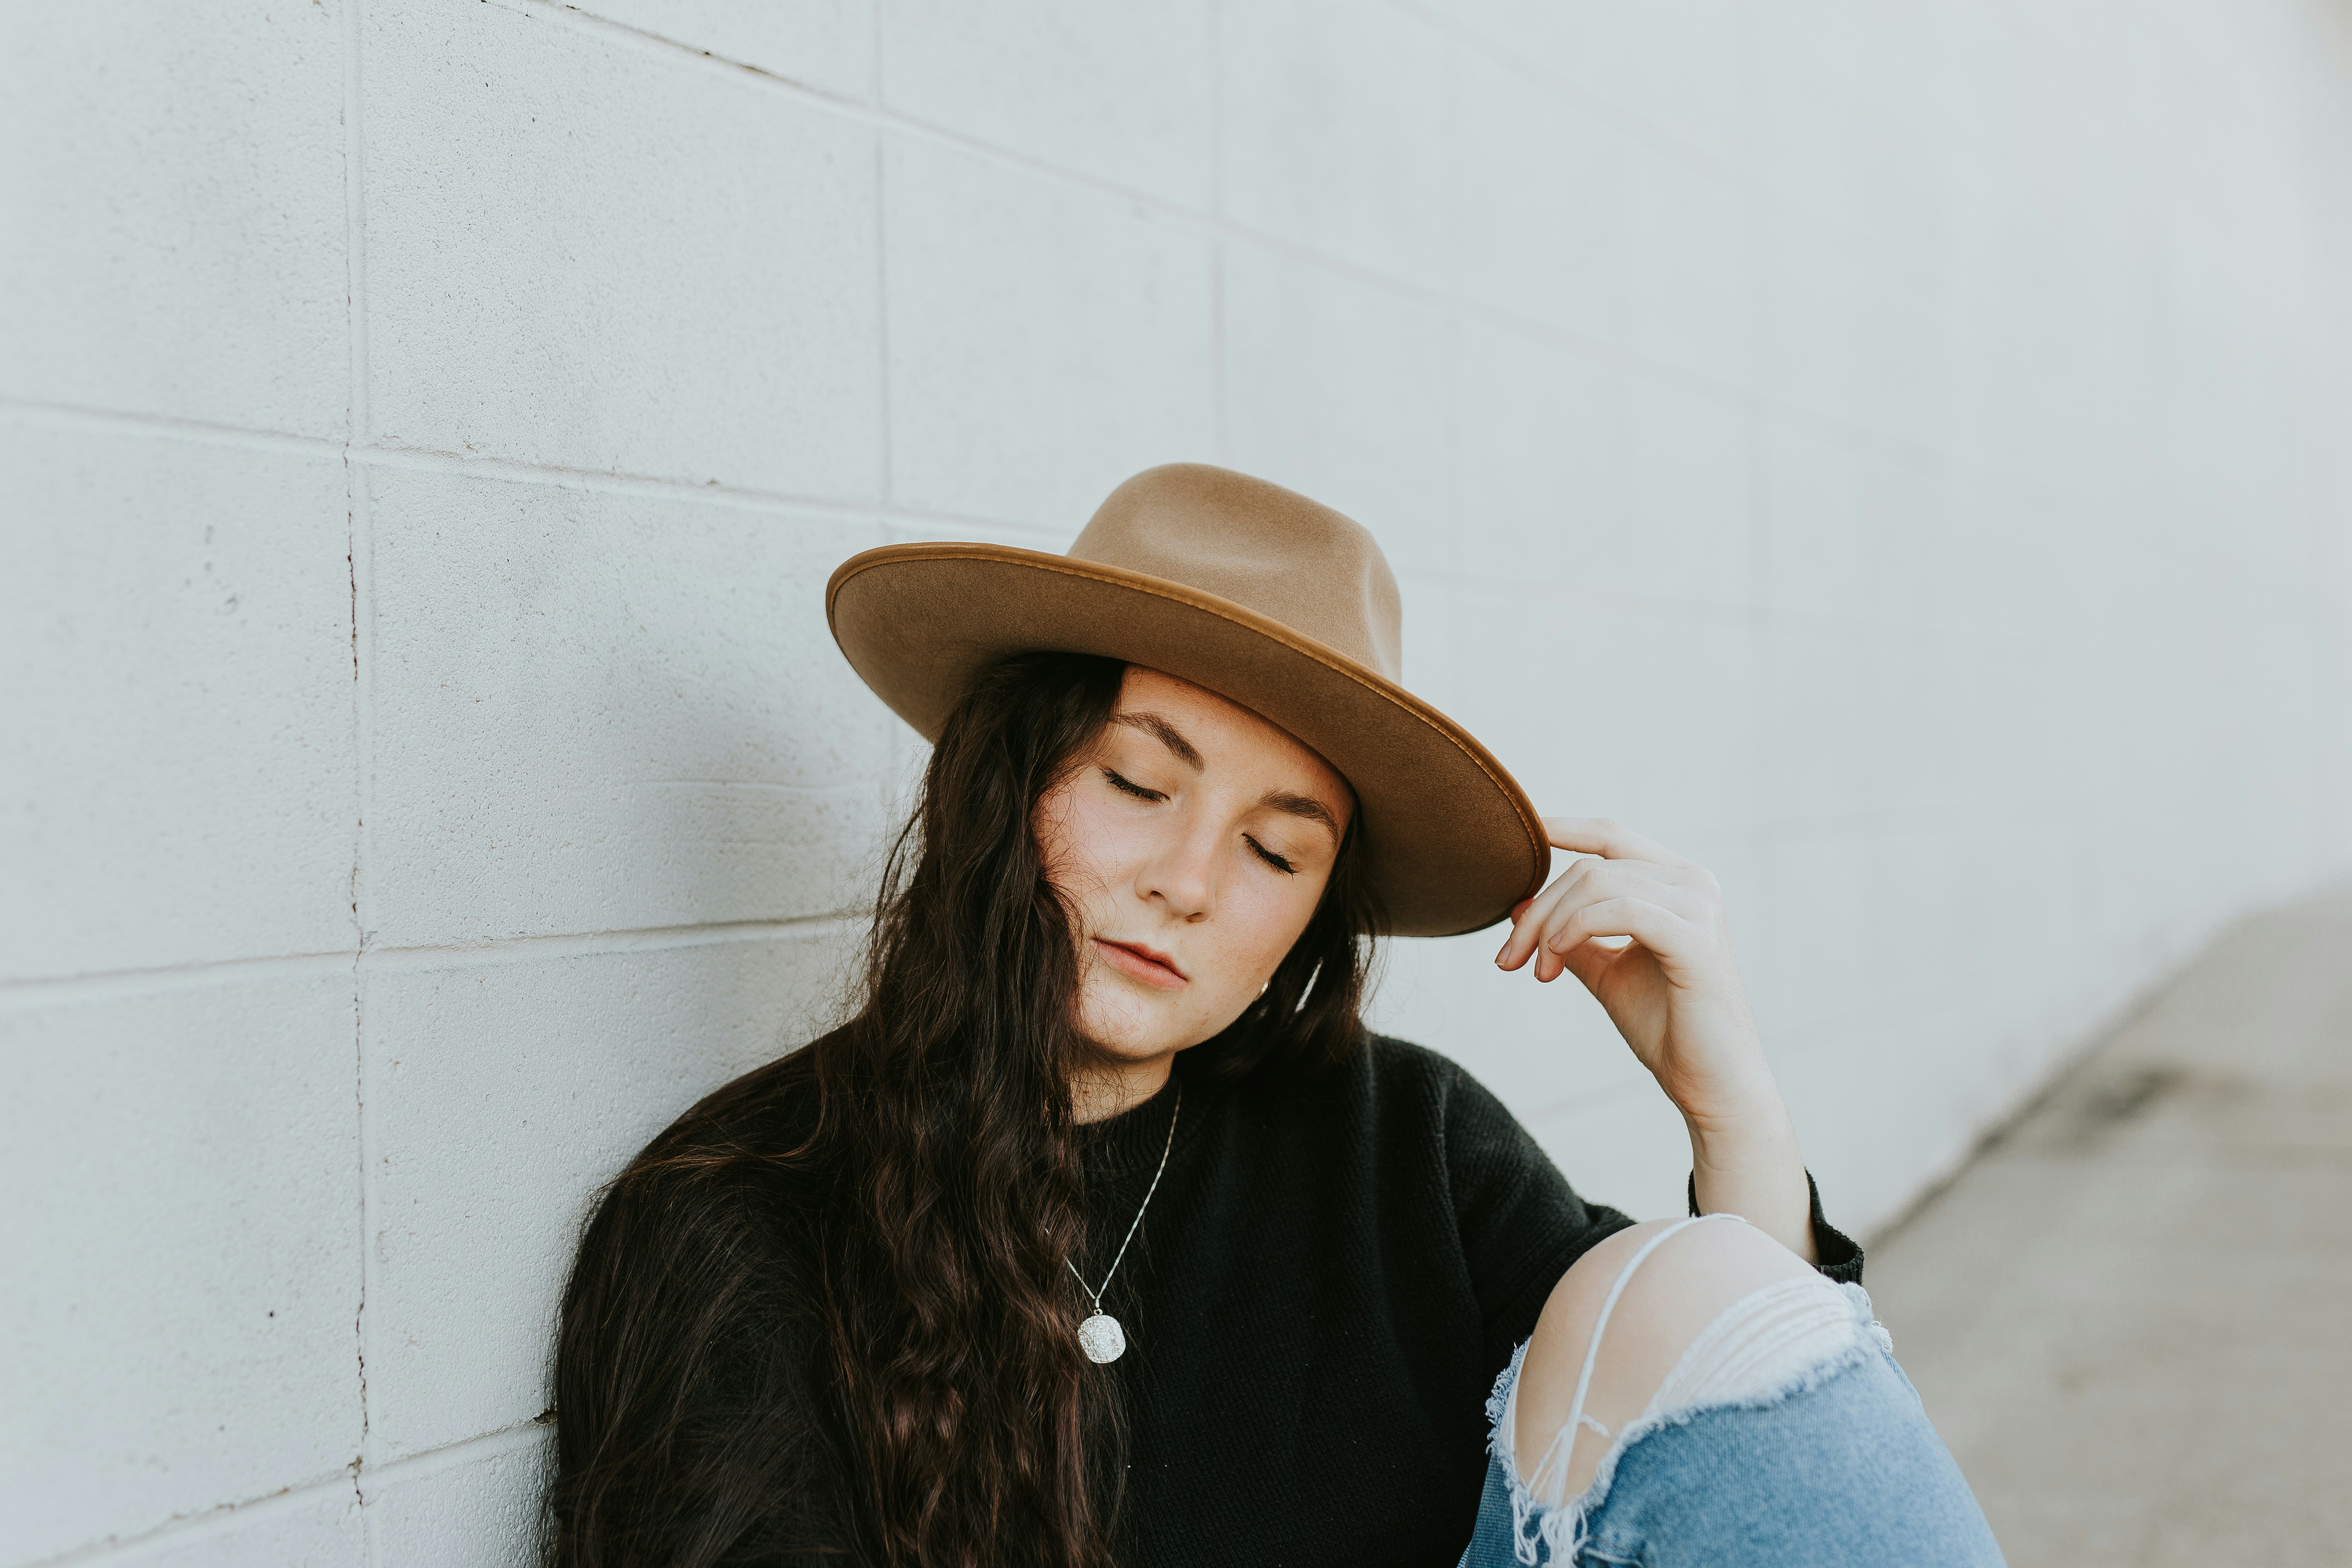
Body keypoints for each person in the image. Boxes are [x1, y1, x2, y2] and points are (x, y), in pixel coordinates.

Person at [547, 465, 2004, 1567]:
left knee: (1684, 1284)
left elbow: (1737, 1476)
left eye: (1275, 847)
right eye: (1136, 782)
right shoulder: (737, 1215)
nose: (1188, 882)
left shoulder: (1401, 1148)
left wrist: (1728, 1107)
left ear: (1309, 921)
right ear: (1008, 783)